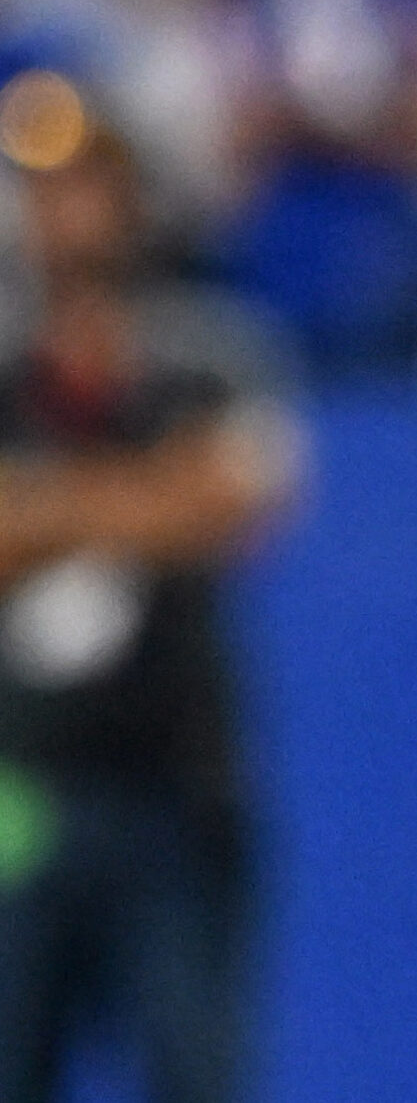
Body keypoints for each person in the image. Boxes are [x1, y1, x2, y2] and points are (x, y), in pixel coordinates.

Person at [0, 79, 299, 1103]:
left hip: (179, 784)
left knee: (197, 1071)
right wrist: (149, 494)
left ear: (132, 196)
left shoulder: (213, 354)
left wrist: (47, 505)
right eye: (42, 188)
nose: (65, 213)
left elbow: (235, 506)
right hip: (19, 793)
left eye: (87, 183)